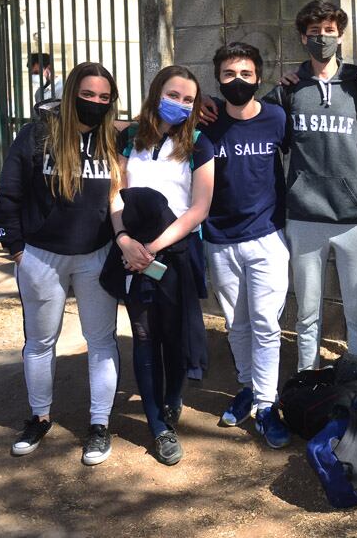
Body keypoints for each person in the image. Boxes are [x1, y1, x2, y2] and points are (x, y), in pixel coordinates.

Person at [0, 62, 123, 466]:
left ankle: (99, 426)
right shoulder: (38, 136)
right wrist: (16, 249)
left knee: (101, 342)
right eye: (87, 95)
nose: (95, 104)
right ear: (71, 95)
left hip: (95, 257)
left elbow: (164, 119)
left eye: (104, 98)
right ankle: (39, 417)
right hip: (41, 258)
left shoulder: (113, 139)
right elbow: (9, 195)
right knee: (40, 342)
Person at [108, 65, 215, 466]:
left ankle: (173, 399)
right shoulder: (129, 138)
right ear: (156, 94)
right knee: (144, 336)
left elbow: (200, 208)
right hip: (132, 253)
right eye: (173, 95)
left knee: (175, 336)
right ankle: (158, 424)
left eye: (189, 100)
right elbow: (115, 192)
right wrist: (124, 239)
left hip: (175, 254)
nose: (181, 105)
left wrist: (151, 247)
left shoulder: (200, 143)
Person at [263, 0, 357, 372]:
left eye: (329, 32)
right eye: (315, 33)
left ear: (340, 36)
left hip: (354, 217)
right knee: (307, 315)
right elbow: (249, 118)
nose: (322, 39)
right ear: (302, 37)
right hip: (306, 216)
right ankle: (307, 383)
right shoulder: (289, 91)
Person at [203, 42, 292, 449]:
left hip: (267, 238)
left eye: (245, 74)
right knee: (236, 325)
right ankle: (248, 388)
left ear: (259, 77)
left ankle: (268, 404)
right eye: (228, 75)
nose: (237, 81)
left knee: (265, 324)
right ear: (217, 79)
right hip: (219, 240)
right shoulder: (205, 122)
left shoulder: (276, 118)